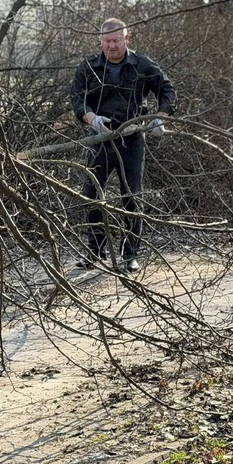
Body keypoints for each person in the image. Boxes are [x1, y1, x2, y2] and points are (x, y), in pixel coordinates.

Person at [70, 18, 176, 273]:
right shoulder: (90, 67)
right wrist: (92, 119)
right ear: (101, 41)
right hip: (99, 138)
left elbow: (167, 90)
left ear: (126, 39)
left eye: (116, 41)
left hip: (132, 138)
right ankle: (94, 251)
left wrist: (159, 117)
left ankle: (130, 255)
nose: (111, 46)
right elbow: (76, 97)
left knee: (132, 196)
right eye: (107, 41)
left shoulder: (142, 65)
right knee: (91, 194)